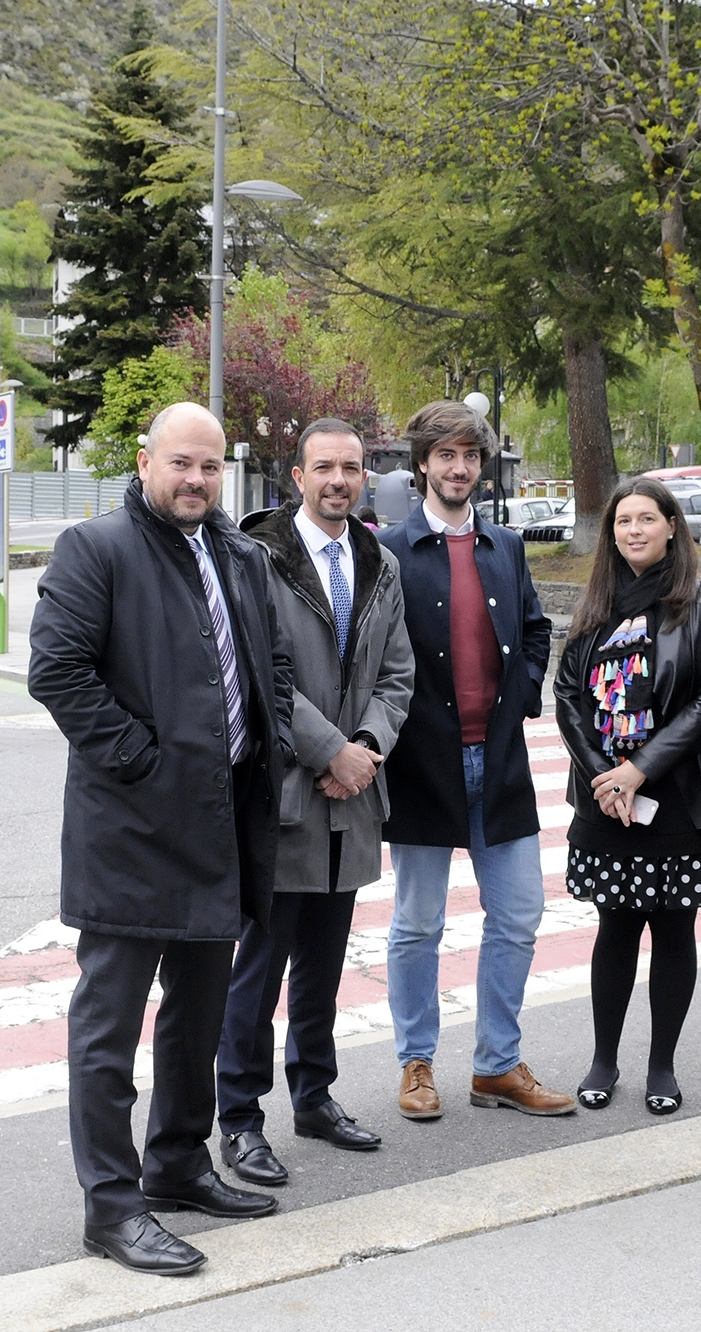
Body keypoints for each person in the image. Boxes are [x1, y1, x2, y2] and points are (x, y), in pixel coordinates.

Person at [27, 402, 293, 1278]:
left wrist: (269, 738)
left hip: (222, 828)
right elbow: (57, 672)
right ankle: (112, 1206)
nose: (196, 481)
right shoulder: (96, 548)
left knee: (197, 1018)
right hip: (133, 833)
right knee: (108, 1030)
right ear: (146, 462)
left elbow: (269, 667)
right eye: (182, 464)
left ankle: (178, 1162)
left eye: (211, 467)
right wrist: (143, 761)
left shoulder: (240, 554)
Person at [216, 419, 414, 1186]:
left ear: (366, 477)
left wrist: (363, 747)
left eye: (352, 468)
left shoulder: (379, 563)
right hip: (285, 795)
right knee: (257, 973)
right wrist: (329, 749)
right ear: (296, 476)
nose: (339, 479)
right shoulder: (258, 559)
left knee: (324, 967)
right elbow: (260, 674)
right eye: (324, 467)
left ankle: (315, 1096)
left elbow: (397, 676)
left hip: (352, 798)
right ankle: (238, 1118)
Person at [378, 400, 570, 1121]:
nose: (459, 468)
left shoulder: (506, 546)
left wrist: (523, 694)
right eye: (446, 456)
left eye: (470, 457)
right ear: (422, 463)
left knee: (519, 912)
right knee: (417, 923)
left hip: (500, 760)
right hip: (422, 763)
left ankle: (495, 1065)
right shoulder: (389, 550)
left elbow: (533, 624)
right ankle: (416, 1064)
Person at [555, 476, 701, 1116]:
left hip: (679, 798)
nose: (633, 530)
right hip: (606, 800)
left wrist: (640, 770)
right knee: (615, 928)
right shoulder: (596, 607)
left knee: (673, 928)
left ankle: (662, 1063)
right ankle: (604, 1056)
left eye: (645, 519)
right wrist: (607, 776)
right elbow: (568, 698)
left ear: (671, 527)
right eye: (622, 522)